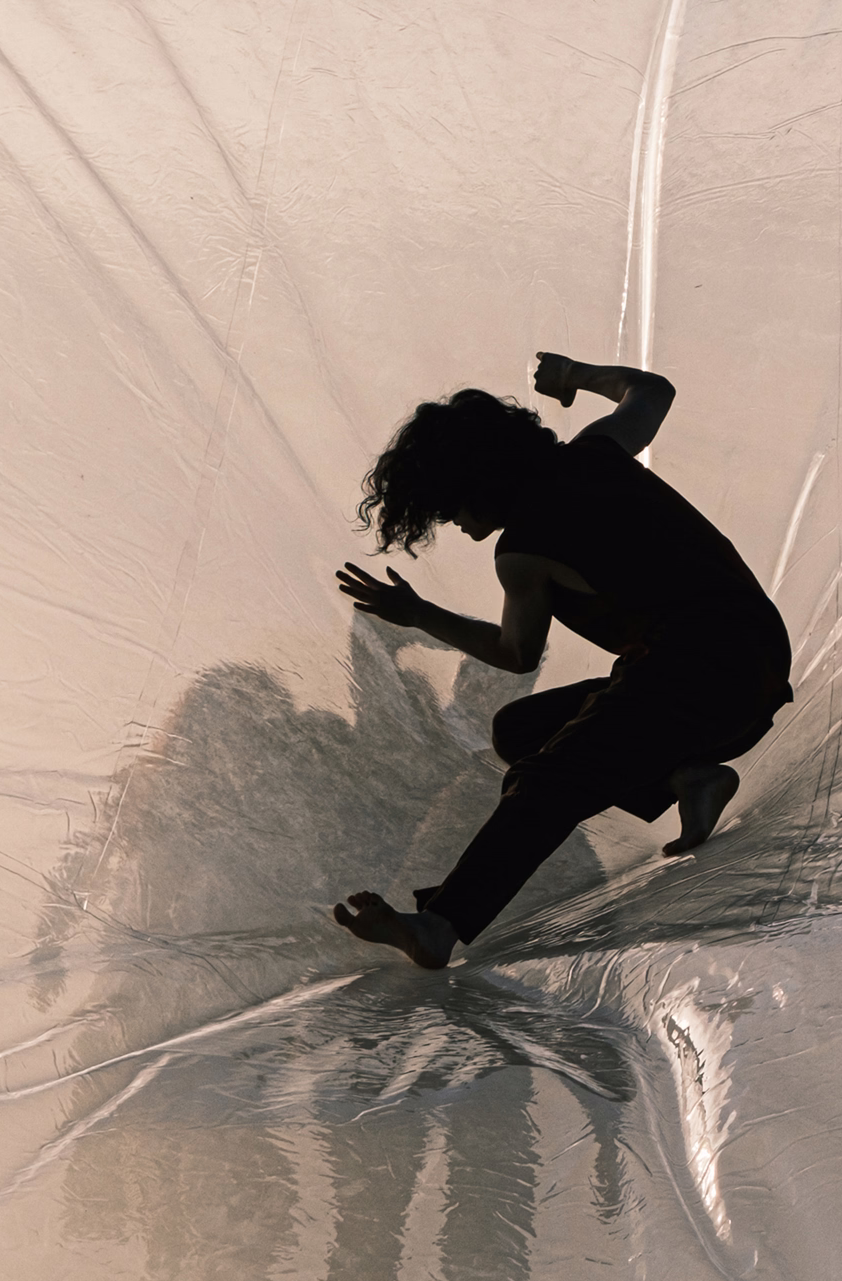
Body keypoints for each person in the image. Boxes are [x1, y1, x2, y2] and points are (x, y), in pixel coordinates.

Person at [330, 352, 793, 968]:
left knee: (549, 777)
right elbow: (652, 390)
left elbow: (515, 654)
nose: (456, 525)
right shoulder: (598, 450)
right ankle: (687, 777)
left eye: (451, 509)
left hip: (695, 675)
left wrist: (420, 615)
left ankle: (440, 925)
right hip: (758, 659)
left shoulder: (524, 550)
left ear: (477, 485)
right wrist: (574, 376)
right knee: (519, 728)